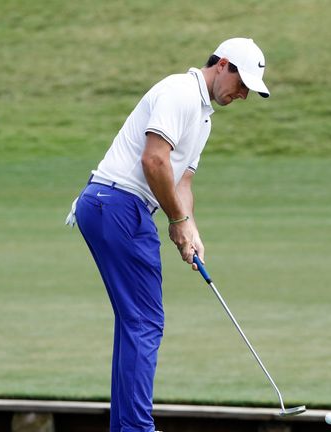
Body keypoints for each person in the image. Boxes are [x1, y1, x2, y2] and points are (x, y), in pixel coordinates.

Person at [64, 37, 271, 432]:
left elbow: (182, 180)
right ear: (222, 64)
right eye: (241, 82)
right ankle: (135, 428)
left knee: (135, 321)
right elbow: (153, 159)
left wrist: (189, 226)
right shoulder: (179, 91)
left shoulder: (204, 116)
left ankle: (127, 427)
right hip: (118, 204)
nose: (243, 93)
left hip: (115, 208)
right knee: (145, 322)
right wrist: (176, 221)